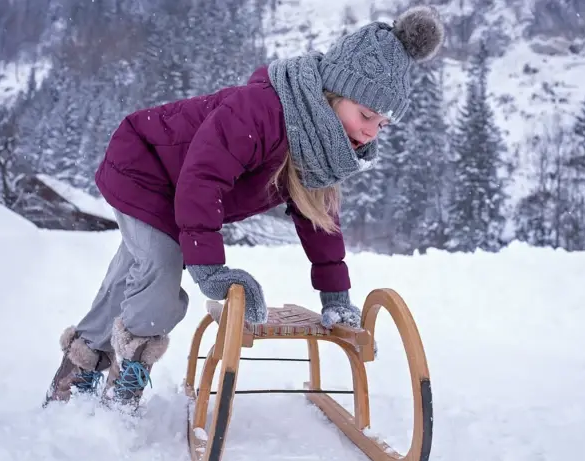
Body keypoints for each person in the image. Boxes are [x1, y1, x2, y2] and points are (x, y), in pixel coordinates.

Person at [43, 4, 445, 411]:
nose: (371, 131)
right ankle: (119, 399)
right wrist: (212, 272)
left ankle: (75, 373)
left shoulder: (321, 146)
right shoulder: (262, 110)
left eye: (382, 124)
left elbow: (319, 219)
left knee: (135, 273)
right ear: (334, 93)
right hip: (143, 168)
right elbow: (203, 180)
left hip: (179, 187)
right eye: (366, 115)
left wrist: (335, 296)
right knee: (160, 274)